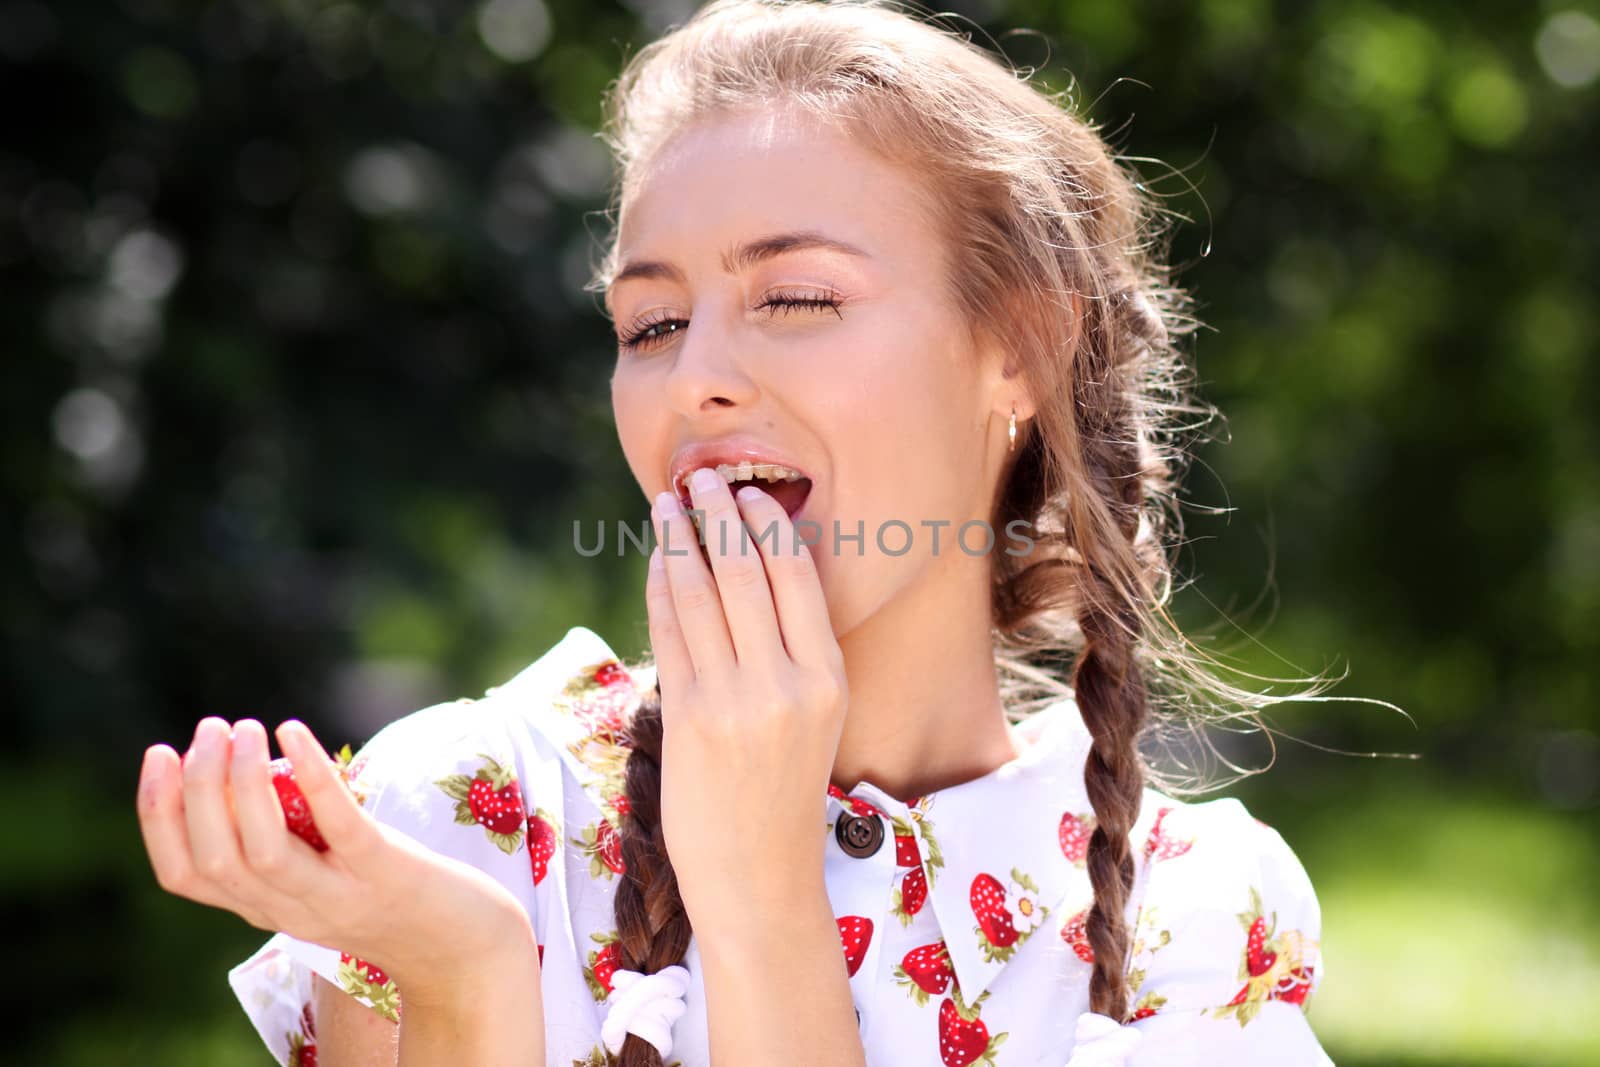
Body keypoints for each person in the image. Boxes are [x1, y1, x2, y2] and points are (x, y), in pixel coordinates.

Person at [136, 1, 1347, 1063]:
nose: (696, 378)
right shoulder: (466, 818)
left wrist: (762, 884)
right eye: (651, 323)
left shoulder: (1184, 921)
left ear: (1021, 347)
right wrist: (464, 972)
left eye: (796, 297)